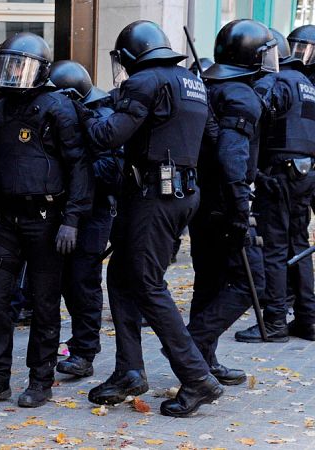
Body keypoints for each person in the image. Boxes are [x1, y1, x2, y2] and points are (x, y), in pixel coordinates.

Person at [77, 20, 222, 417]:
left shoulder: (144, 82)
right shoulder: (192, 82)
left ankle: (196, 377)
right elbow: (213, 139)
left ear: (130, 55)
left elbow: (108, 136)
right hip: (179, 194)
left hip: (154, 197)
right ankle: (129, 371)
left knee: (145, 283)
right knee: (121, 276)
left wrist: (86, 111)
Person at [0, 32, 93, 408]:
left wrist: (72, 219)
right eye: (7, 65)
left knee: (45, 301)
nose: (12, 74)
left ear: (41, 71)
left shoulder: (58, 107)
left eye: (20, 66)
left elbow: (79, 166)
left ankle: (41, 380)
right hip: (5, 217)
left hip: (46, 218)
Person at [187, 19, 277, 386]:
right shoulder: (240, 94)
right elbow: (230, 157)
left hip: (201, 201)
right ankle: (191, 348)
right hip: (225, 202)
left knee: (208, 283)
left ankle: (202, 362)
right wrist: (242, 210)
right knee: (250, 281)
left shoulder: (209, 86)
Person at [234, 25, 315, 342]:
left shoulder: (276, 82)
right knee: (299, 247)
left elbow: (253, 118)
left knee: (276, 250)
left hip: (279, 175)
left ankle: (276, 322)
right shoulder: (308, 86)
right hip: (305, 176)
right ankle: (308, 320)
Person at [47, 60, 118, 378]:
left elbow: (110, 171)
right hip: (71, 210)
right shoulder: (74, 114)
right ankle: (79, 342)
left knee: (83, 282)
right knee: (67, 282)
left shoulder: (100, 117)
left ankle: (85, 352)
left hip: (94, 213)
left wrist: (72, 171)